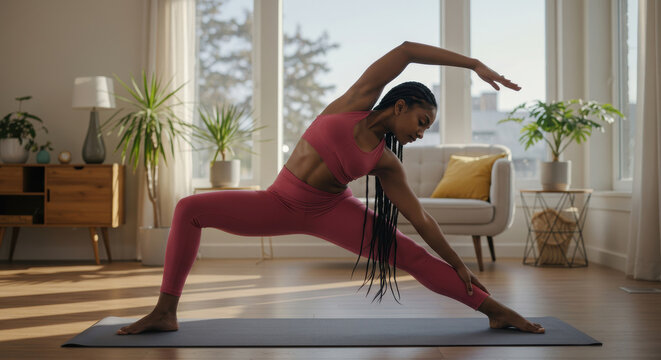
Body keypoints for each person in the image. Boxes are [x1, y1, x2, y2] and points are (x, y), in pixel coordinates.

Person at [117, 41, 545, 335]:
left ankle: (496, 312)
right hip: (280, 202)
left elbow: (422, 219)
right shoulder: (355, 101)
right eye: (421, 122)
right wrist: (472, 65)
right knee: (189, 207)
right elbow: (407, 52)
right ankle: (165, 311)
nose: (421, 133)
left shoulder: (386, 162)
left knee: (413, 255)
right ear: (400, 106)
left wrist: (458, 264)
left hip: (333, 211)